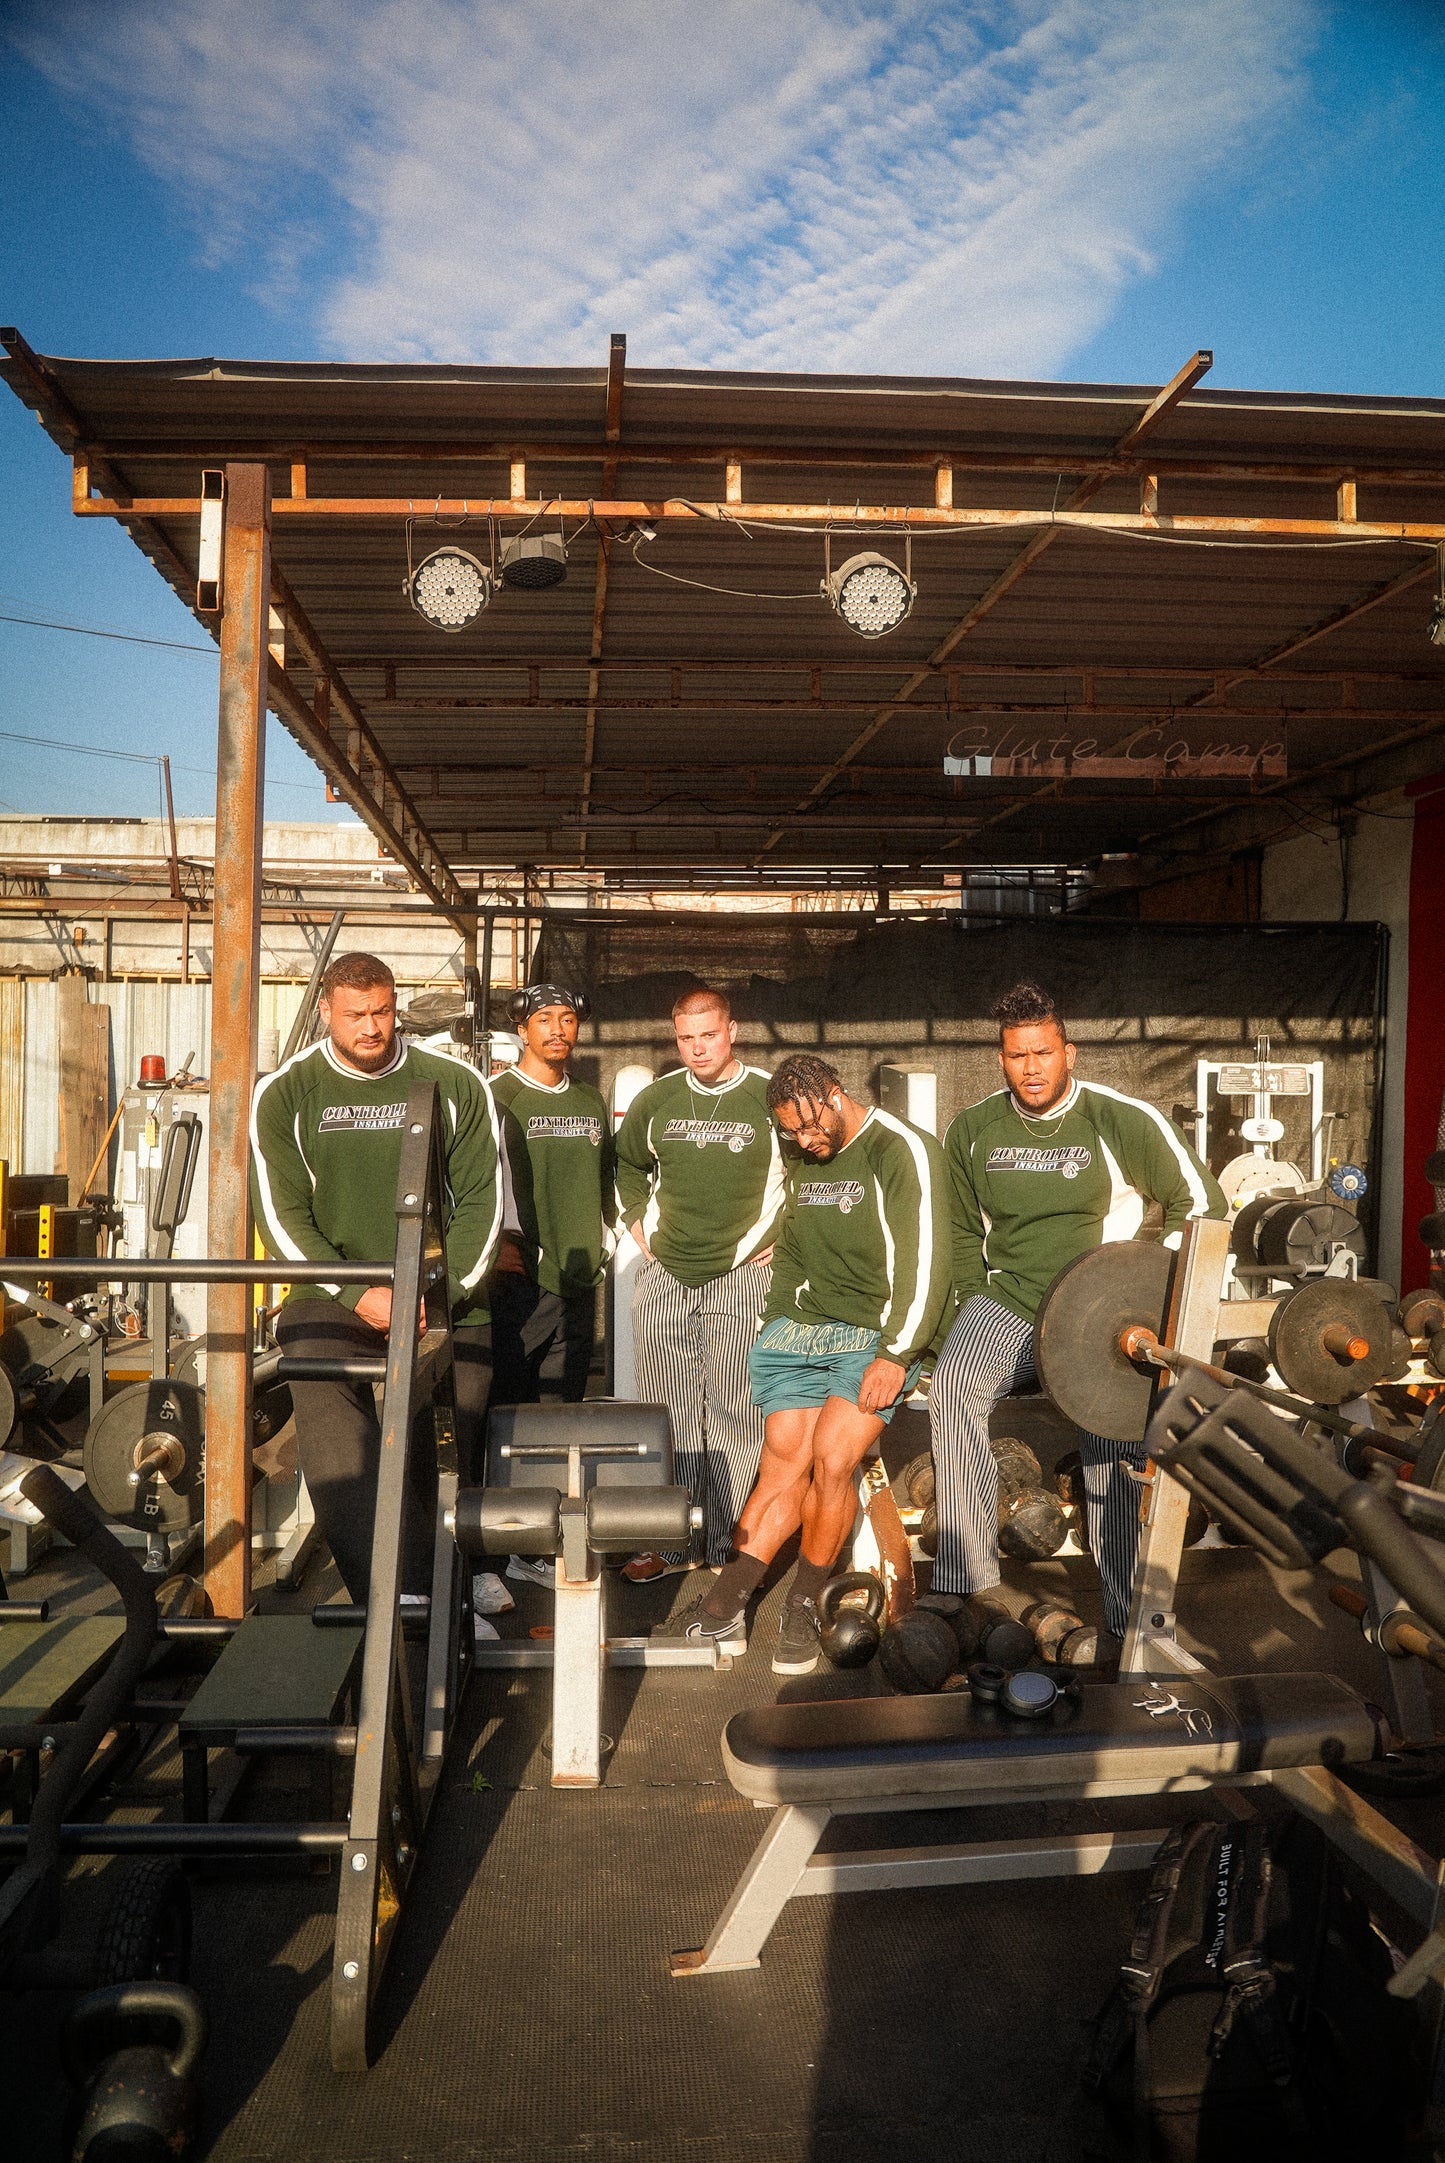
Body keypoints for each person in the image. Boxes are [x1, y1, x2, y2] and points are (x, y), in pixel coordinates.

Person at [929, 980, 1227, 1656]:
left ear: (1070, 1051)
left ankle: (1125, 1617)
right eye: (1015, 1055)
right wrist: (963, 1310)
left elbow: (1201, 1205)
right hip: (1007, 1300)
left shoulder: (1119, 1116)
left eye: (1042, 1051)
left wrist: (1153, 1293)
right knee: (952, 1387)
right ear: (998, 1059)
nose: (1030, 1067)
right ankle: (966, 1578)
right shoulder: (972, 1128)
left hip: (1095, 1309)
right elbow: (954, 1232)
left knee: (1113, 1443)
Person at [659, 1054, 952, 1674]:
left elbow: (927, 1260)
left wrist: (898, 1353)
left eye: (811, 1125)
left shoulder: (900, 1149)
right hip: (799, 1328)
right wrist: (775, 1316)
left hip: (874, 1334)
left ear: (835, 1095)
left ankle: (805, 1600)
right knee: (780, 1466)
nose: (805, 1141)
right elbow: (791, 1234)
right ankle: (726, 1606)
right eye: (790, 1131)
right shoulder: (797, 1147)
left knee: (832, 1461)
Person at [250, 950, 502, 1602]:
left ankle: (461, 1582)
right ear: (326, 1012)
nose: (372, 1026)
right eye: (356, 1014)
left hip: (439, 1293)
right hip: (334, 1292)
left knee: (446, 1430)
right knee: (330, 1414)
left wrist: (432, 1295)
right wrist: (359, 1294)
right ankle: (396, 1602)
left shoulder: (455, 1082)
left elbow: (482, 1201)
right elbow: (282, 1219)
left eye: (383, 1011)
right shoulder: (284, 1093)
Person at [614, 983, 785, 1579]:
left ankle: (726, 1542)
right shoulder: (656, 1100)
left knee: (736, 1411)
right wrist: (635, 1219)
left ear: (732, 1031)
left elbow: (817, 1165)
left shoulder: (769, 1096)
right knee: (670, 1410)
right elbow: (627, 1164)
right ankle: (670, 1541)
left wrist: (784, 1235)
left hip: (742, 1275)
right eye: (685, 1038)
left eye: (708, 1035)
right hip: (666, 1273)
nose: (697, 1048)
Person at [489, 983, 614, 1409]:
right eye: (544, 1020)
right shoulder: (496, 1096)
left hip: (578, 1278)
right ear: (523, 1030)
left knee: (563, 1411)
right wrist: (494, 1249)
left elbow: (604, 1180)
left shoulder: (589, 1099)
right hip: (520, 1279)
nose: (557, 1030)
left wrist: (605, 1239)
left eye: (567, 1019)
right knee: (510, 1413)